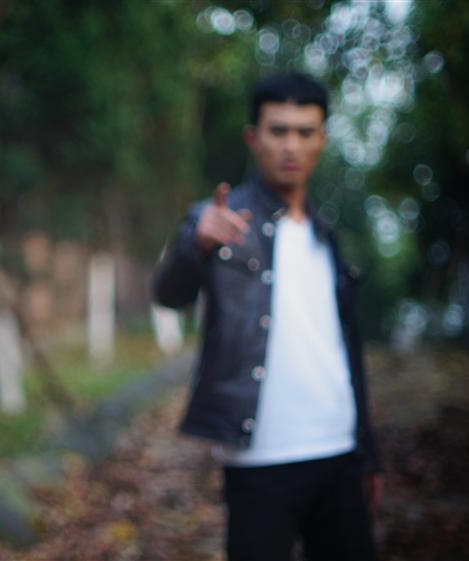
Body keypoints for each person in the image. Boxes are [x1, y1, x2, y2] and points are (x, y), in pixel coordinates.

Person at [152, 72, 381, 561]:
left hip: (340, 451)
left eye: (304, 131)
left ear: (322, 138)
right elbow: (168, 294)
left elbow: (346, 348)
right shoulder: (219, 218)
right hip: (260, 458)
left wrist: (369, 450)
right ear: (253, 137)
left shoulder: (325, 234)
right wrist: (196, 244)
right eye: (278, 131)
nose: (291, 146)